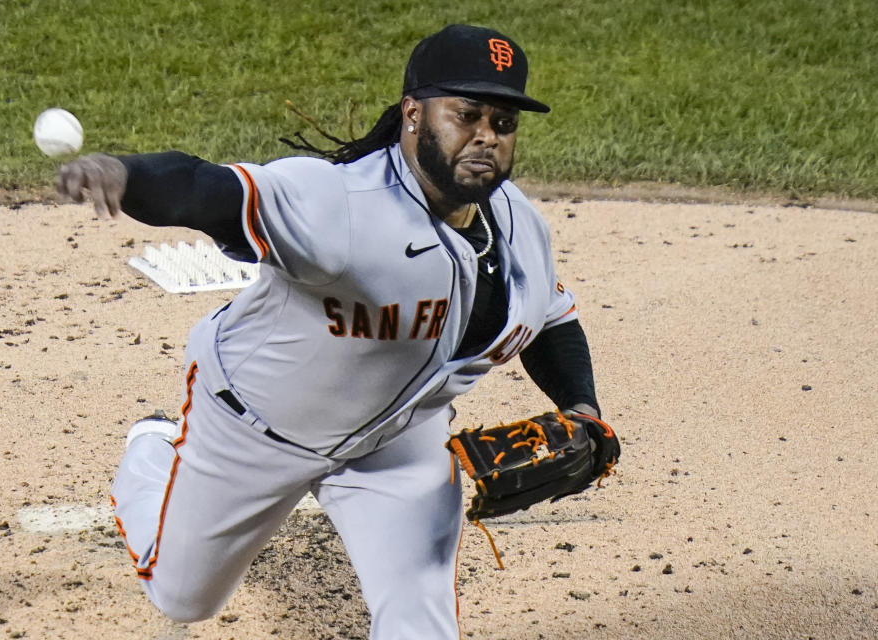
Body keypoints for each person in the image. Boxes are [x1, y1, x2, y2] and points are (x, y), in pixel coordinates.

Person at [56, 24, 603, 639]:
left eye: (503, 123)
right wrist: (125, 174)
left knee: (420, 622)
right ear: (414, 114)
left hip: (398, 444)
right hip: (257, 428)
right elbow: (209, 190)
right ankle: (155, 445)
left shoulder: (519, 223)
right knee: (183, 598)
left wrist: (582, 407)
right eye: (467, 113)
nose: (486, 136)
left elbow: (553, 316)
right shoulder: (338, 203)